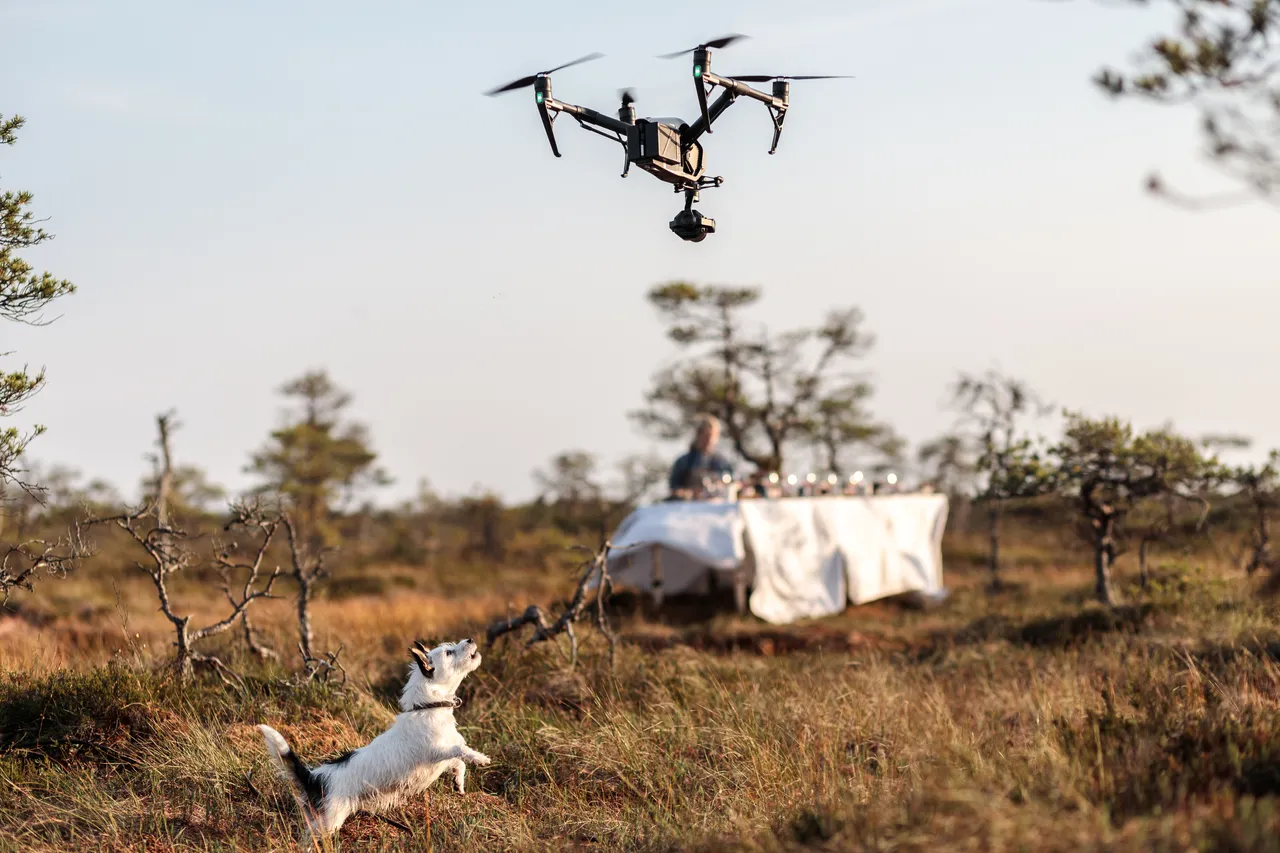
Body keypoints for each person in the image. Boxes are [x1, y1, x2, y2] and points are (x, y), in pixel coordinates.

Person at [668, 414, 734, 499]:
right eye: (706, 436)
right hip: (689, 508)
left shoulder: (722, 462)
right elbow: (674, 488)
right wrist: (688, 493)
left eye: (713, 436)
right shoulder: (684, 462)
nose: (709, 440)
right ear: (698, 435)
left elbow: (731, 483)